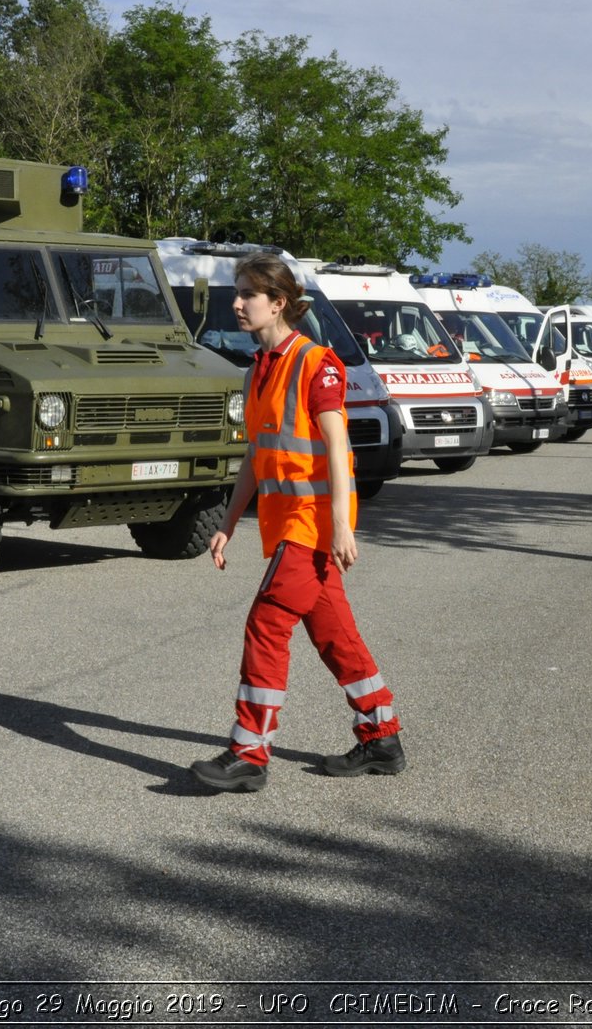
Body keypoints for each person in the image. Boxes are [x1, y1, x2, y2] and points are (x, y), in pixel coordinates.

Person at [190, 252, 405, 793]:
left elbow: (338, 448)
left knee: (266, 625)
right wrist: (228, 521)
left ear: (279, 303)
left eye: (248, 296)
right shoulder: (256, 370)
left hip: (311, 525)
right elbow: (257, 457)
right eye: (236, 294)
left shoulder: (317, 362)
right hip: (287, 525)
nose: (236, 304)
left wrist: (342, 526)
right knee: (335, 634)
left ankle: (248, 753)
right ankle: (382, 737)